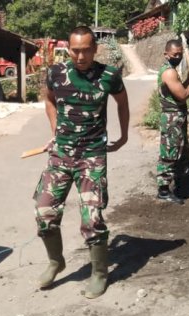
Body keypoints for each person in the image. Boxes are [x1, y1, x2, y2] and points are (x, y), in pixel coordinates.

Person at [33, 26, 130, 299]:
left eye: (86, 49)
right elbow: (49, 100)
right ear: (68, 49)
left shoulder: (109, 76)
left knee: (93, 218)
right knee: (43, 212)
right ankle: (56, 261)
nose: (80, 56)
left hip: (92, 156)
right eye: (75, 50)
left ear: (95, 49)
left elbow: (122, 103)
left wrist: (123, 136)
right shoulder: (56, 74)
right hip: (61, 155)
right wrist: (54, 132)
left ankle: (99, 273)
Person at [156, 39, 189, 204]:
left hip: (178, 117)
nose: (178, 57)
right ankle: (163, 190)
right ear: (166, 54)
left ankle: (180, 184)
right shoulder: (168, 72)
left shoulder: (172, 70)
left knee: (183, 152)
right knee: (170, 153)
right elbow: (181, 96)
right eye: (175, 54)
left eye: (180, 54)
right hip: (172, 118)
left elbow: (179, 89)